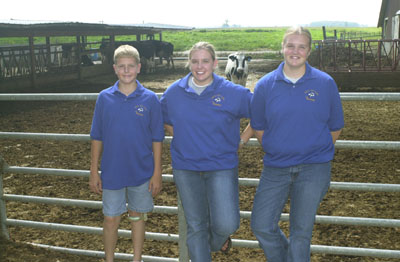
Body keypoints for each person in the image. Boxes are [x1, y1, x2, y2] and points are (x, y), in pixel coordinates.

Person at [250, 26, 344, 262]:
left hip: (314, 167)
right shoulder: (265, 85)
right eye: (290, 45)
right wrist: (277, 147)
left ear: (309, 51)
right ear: (282, 48)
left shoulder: (325, 83)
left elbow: (335, 126)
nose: (295, 51)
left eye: (301, 46)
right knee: (261, 224)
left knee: (301, 232)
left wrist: (314, 150)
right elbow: (258, 127)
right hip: (276, 166)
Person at [160, 41, 253, 262]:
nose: (199, 66)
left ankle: (217, 239)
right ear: (189, 63)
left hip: (221, 166)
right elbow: (164, 119)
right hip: (186, 167)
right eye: (195, 61)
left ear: (215, 63)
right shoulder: (174, 92)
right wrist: (182, 135)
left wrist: (242, 139)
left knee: (228, 223)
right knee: (195, 225)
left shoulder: (232, 92)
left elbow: (261, 113)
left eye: (205, 61)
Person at [89, 45, 164, 262]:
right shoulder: (104, 98)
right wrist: (94, 171)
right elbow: (97, 136)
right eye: (121, 66)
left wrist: (157, 172)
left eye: (131, 66)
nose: (126, 70)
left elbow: (157, 138)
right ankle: (109, 259)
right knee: (111, 218)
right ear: (114, 69)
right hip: (112, 171)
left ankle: (137, 258)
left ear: (139, 67)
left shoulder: (150, 99)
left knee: (137, 217)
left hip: (141, 170)